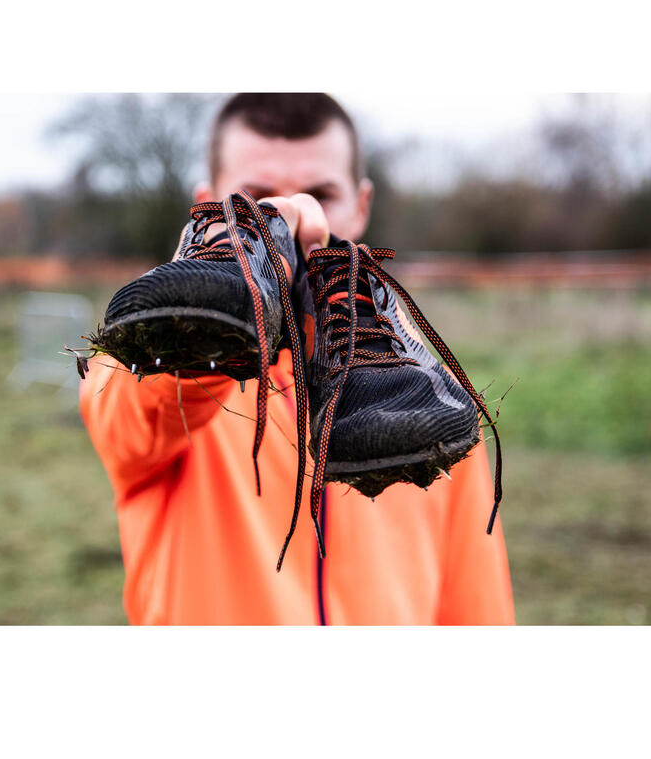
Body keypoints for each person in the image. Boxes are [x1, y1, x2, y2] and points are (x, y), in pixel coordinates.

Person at [80, 93, 515, 625]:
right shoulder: (152, 371)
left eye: (319, 195)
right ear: (207, 205)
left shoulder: (422, 390)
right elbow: (130, 402)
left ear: (361, 205)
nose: (296, 216)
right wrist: (201, 308)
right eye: (258, 198)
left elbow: (474, 605)